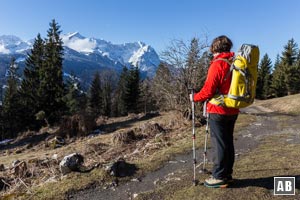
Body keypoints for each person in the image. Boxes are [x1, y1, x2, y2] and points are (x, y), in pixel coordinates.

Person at [190, 35, 239, 188]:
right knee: (228, 143)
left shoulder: (218, 64)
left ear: (214, 48)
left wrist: (194, 97)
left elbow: (208, 90)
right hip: (233, 109)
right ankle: (227, 174)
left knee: (219, 144)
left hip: (218, 110)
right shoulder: (234, 63)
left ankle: (219, 176)